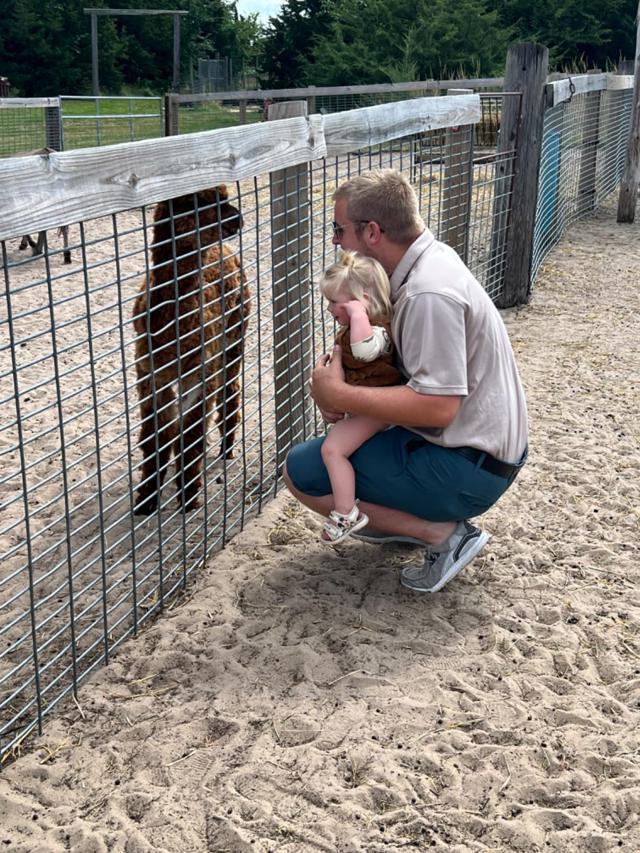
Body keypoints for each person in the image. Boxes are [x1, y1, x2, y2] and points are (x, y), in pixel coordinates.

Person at [284, 168, 528, 594]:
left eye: (339, 229)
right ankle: (406, 522)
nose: (336, 241)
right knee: (331, 451)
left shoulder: (426, 294)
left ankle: (443, 535)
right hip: (473, 448)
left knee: (302, 472)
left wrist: (337, 393)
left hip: (469, 465)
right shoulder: (426, 262)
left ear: (372, 231)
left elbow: (438, 407)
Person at [317, 252, 402, 544]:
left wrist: (356, 313)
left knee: (333, 450)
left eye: (335, 302)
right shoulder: (360, 325)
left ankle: (346, 512)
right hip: (367, 404)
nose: (329, 309)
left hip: (377, 408)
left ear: (361, 299)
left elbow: (365, 351)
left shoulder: (377, 330)